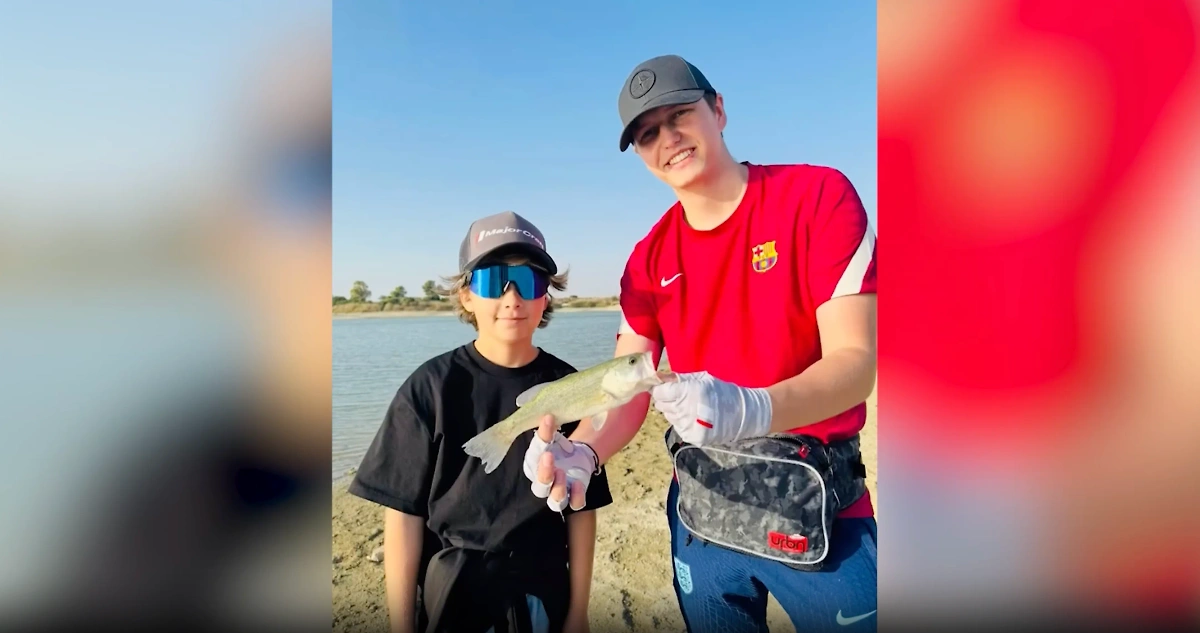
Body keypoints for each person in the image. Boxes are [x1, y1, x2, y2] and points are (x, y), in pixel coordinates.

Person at [521, 55, 879, 633]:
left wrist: (753, 407)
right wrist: (583, 450)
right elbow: (626, 387)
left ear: (718, 110)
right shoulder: (647, 259)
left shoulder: (816, 197)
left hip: (819, 510)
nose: (668, 139)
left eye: (680, 115)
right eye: (647, 133)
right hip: (701, 515)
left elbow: (855, 364)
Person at [348, 210, 612, 633]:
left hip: (541, 589)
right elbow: (403, 515)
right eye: (492, 281)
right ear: (467, 296)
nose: (512, 299)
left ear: (546, 295)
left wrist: (578, 612)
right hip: (453, 588)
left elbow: (583, 510)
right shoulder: (429, 388)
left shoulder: (571, 387)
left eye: (528, 282)